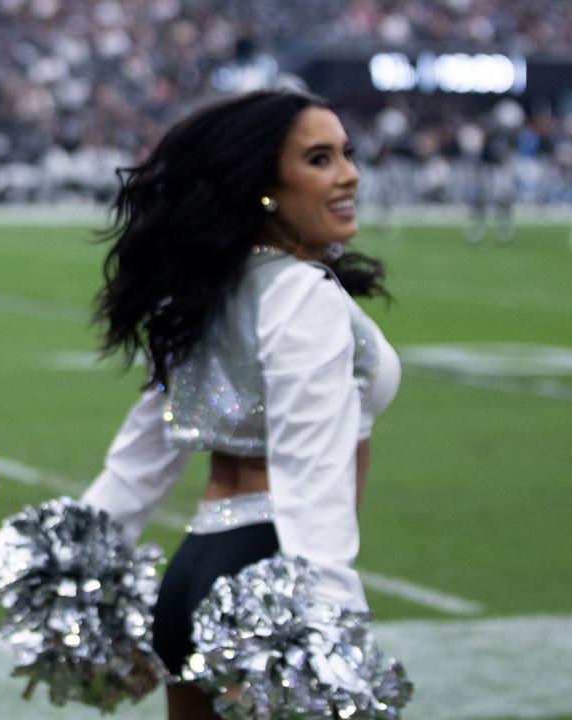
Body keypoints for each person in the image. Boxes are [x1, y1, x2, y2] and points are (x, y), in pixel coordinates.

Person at [80, 89, 400, 718]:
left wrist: (78, 558)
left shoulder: (199, 295)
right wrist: (332, 621)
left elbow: (138, 463)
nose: (349, 173)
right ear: (265, 185)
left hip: (193, 576)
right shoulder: (301, 296)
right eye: (319, 159)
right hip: (271, 577)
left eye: (346, 153)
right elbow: (310, 479)